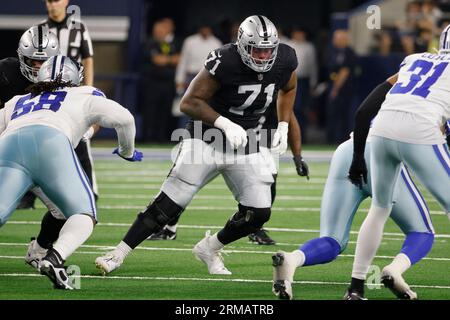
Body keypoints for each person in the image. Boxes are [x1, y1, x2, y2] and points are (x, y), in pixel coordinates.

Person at [95, 15, 299, 275]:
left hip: (248, 143)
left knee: (258, 214)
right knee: (168, 204)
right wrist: (224, 123)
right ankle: (117, 254)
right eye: (256, 50)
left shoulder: (284, 59)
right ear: (243, 45)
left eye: (267, 50)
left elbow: (289, 88)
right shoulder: (225, 60)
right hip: (207, 138)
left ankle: (209, 248)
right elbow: (189, 102)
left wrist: (283, 124)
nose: (262, 56)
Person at [0, 55, 141, 289]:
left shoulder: (18, 100)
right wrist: (127, 151)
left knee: (52, 211)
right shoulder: (84, 94)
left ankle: (38, 252)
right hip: (50, 145)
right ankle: (54, 259)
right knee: (84, 213)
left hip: (8, 147)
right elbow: (124, 118)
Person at [272, 125, 438, 300]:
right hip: (382, 155)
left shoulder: (388, 96)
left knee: (332, 239)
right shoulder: (439, 100)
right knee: (422, 231)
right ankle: (394, 270)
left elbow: (363, 113)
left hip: (348, 150)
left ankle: (293, 259)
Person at [345, 25, 450, 300]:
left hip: (380, 128)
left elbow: (366, 108)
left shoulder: (415, 59)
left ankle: (355, 288)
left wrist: (358, 155)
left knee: (380, 207)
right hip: (419, 129)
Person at [39, 0, 99, 206]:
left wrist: (88, 90)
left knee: (81, 141)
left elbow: (88, 59)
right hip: (47, 95)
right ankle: (29, 195)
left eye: (55, 0)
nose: (51, 5)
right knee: (40, 141)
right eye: (48, 1)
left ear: (65, 1)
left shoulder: (78, 28)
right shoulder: (39, 30)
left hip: (73, 95)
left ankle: (90, 190)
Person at [139, 18, 180, 142]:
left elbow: (179, 59)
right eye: (158, 30)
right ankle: (148, 137)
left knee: (165, 111)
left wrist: (166, 59)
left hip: (168, 84)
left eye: (163, 30)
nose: (160, 33)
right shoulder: (149, 43)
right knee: (150, 111)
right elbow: (157, 60)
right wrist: (170, 60)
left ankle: (161, 137)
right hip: (152, 83)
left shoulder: (171, 44)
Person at [174, 23, 222, 128]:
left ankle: (202, 136)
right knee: (187, 106)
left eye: (207, 28)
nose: (205, 30)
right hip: (191, 77)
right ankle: (183, 134)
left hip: (208, 78)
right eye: (203, 28)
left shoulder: (216, 43)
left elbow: (219, 65)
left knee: (206, 108)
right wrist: (179, 80)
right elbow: (183, 62)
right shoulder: (190, 41)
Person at [326, 29, 358, 144]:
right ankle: (331, 140)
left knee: (345, 116)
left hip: (346, 90)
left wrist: (335, 89)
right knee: (332, 114)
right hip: (331, 86)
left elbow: (345, 72)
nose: (335, 41)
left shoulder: (350, 53)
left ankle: (344, 141)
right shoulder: (331, 51)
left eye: (338, 38)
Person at [288, 26, 318, 143]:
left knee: (301, 109)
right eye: (297, 33)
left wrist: (313, 83)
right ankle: (288, 137)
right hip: (289, 79)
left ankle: (301, 136)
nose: (299, 36)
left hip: (303, 81)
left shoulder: (309, 47)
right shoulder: (288, 44)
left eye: (301, 34)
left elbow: (313, 66)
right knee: (290, 108)